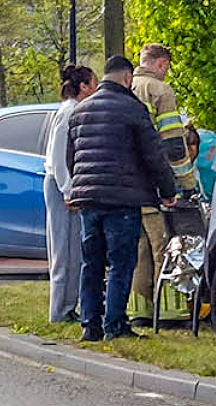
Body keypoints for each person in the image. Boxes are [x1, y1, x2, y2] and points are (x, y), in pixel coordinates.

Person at [67, 54, 178, 341]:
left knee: (91, 264)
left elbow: (72, 159)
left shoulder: (81, 111)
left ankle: (89, 324)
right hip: (122, 200)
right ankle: (114, 326)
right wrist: (168, 191)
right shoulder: (132, 109)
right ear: (128, 78)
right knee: (121, 263)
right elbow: (153, 155)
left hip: (89, 200)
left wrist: (83, 188)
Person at [129, 43, 199, 323]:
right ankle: (167, 311)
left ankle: (138, 311)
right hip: (157, 185)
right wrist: (186, 182)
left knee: (139, 249)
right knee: (166, 247)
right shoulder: (161, 91)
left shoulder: (126, 87)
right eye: (166, 66)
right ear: (160, 64)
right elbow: (173, 144)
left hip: (130, 185)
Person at [43, 63, 96, 323]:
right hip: (60, 185)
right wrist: (68, 189)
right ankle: (59, 311)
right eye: (92, 83)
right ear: (83, 86)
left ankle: (67, 307)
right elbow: (59, 156)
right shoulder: (69, 113)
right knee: (63, 251)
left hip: (67, 185)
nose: (96, 87)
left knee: (74, 251)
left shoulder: (73, 110)